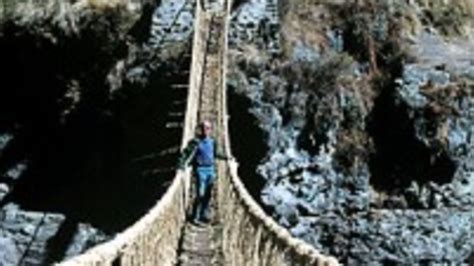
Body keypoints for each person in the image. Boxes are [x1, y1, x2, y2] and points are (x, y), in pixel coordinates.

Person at [177, 120, 229, 224]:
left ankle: (203, 215)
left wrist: (227, 158)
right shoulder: (195, 142)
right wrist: (181, 165)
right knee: (200, 194)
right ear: (200, 129)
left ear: (211, 130)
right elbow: (185, 154)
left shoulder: (212, 142)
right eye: (204, 128)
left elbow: (215, 154)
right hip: (200, 170)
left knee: (208, 194)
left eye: (208, 128)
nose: (206, 130)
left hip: (211, 169)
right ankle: (195, 217)